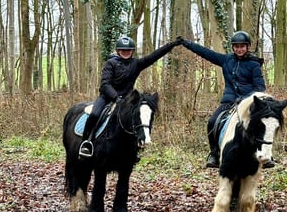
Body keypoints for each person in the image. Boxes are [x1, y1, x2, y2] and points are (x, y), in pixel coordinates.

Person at [179, 30, 269, 168]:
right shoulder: (227, 60)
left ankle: (265, 153)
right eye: (236, 46)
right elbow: (206, 53)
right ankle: (214, 153)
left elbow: (260, 87)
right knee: (212, 122)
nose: (239, 49)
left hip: (248, 102)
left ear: (248, 47)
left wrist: (246, 99)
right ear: (233, 47)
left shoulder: (254, 65)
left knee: (262, 123)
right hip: (229, 101)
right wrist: (187, 44)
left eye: (242, 46)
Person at [78, 35, 180, 158]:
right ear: (118, 51)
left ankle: (134, 148)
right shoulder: (111, 63)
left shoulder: (136, 64)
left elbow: (153, 57)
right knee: (94, 114)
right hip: (107, 97)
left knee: (136, 119)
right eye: (123, 50)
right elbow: (105, 84)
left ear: (132, 51)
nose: (125, 52)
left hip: (128, 100)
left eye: (128, 50)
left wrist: (171, 45)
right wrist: (116, 97)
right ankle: (86, 143)